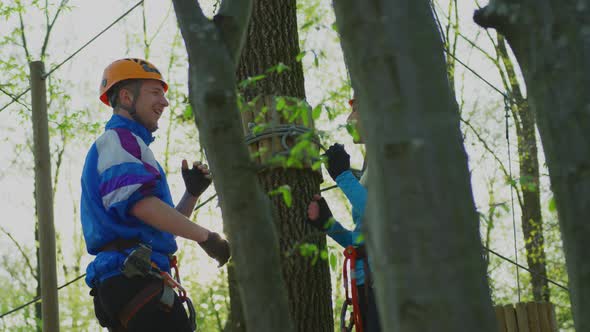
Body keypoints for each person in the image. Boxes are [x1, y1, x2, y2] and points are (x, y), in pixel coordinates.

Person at [81, 58, 230, 332]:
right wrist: (207, 237)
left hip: (133, 280)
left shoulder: (132, 146)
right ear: (126, 97)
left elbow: (159, 228)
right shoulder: (118, 140)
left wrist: (191, 194)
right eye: (155, 93)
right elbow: (143, 208)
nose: (165, 102)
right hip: (133, 280)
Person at [306, 97, 380, 331]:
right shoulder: (372, 164)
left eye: (356, 109)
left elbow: (384, 220)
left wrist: (343, 177)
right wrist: (331, 226)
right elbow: (364, 240)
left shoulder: (395, 162)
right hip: (370, 288)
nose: (349, 118)